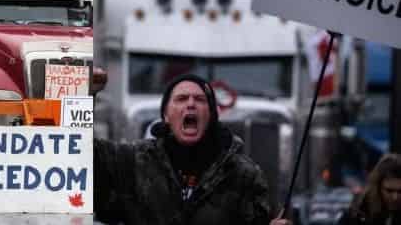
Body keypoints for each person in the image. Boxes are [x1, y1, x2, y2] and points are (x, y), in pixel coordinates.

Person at [95, 74, 282, 225]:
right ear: (166, 116)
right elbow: (81, 153)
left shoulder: (243, 174)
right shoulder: (133, 162)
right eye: (181, 99)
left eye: (200, 99)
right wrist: (83, 93)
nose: (191, 104)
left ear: (211, 115)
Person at [338, 153, 401, 225]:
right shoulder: (358, 213)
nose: (395, 197)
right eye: (389, 191)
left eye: (400, 191)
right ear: (378, 187)